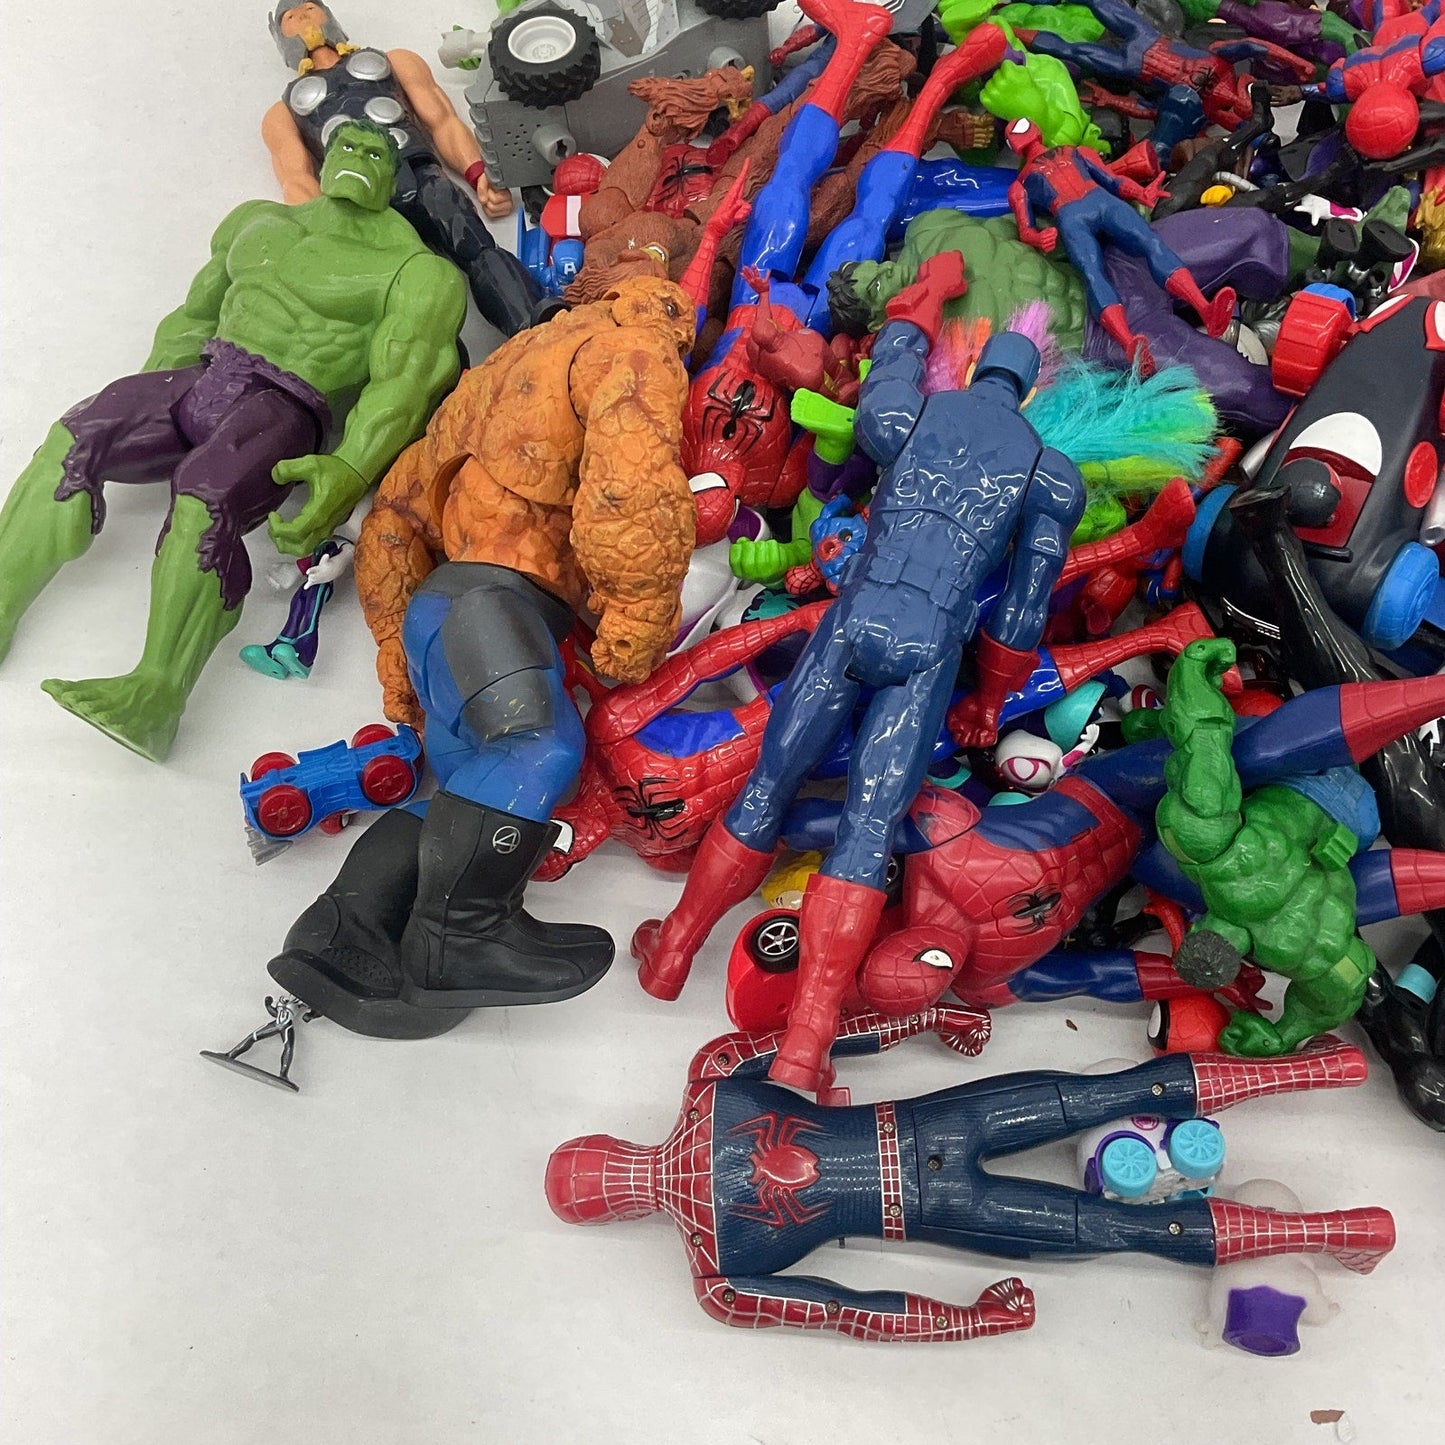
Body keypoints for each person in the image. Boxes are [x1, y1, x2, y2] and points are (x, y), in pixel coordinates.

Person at [0, 120, 466, 760]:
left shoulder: (416, 271)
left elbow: (404, 386)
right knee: (75, 437)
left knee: (204, 498)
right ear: (324, 156)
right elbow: (192, 316)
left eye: (374, 152)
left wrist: (349, 470)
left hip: (287, 402)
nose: (357, 156)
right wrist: (140, 398)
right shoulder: (258, 223)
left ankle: (155, 695)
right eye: (347, 146)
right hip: (206, 375)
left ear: (394, 174)